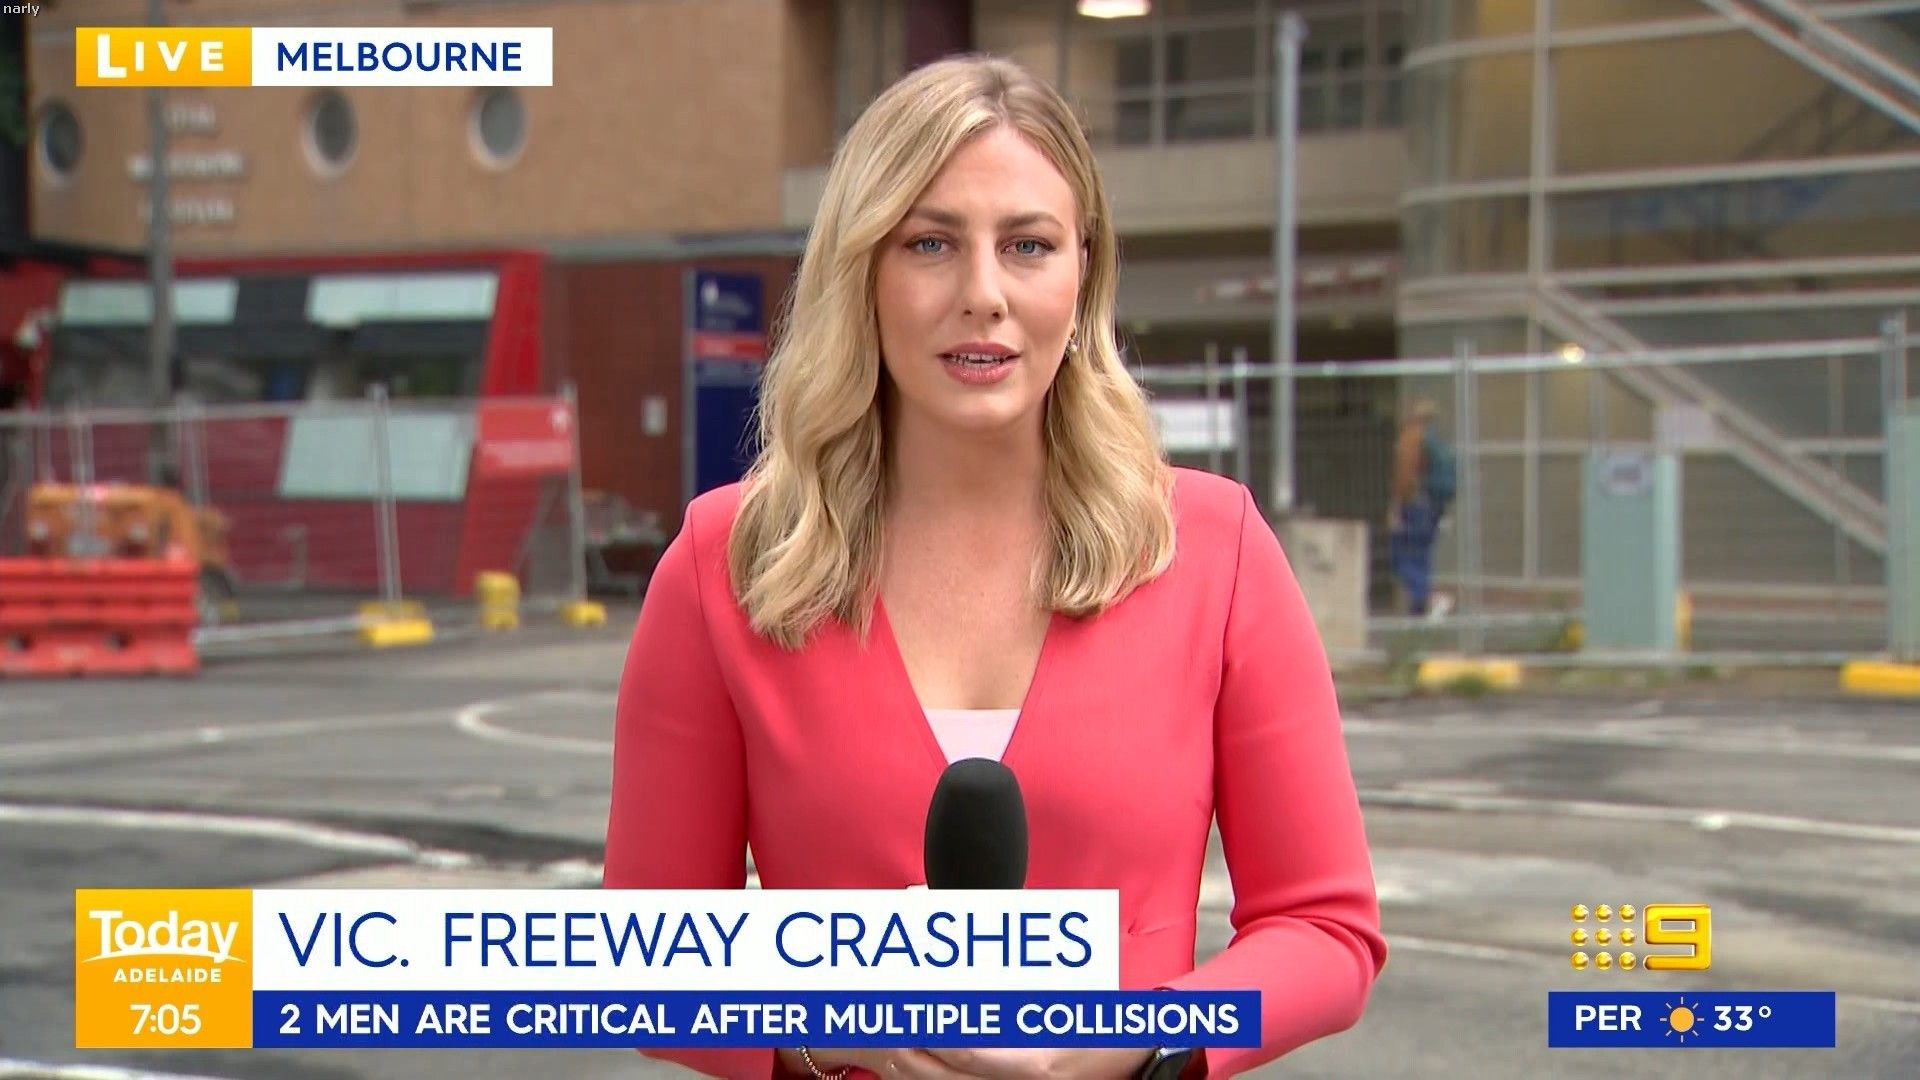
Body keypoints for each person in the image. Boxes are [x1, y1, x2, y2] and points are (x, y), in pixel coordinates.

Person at [605, 55, 1385, 1080]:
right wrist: (829, 1025)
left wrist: (1141, 1040)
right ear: (860, 271)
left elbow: (1325, 927)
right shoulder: (725, 563)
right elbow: (641, 956)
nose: (984, 294)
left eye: (1028, 245)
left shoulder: (1215, 548)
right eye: (930, 243)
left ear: (1082, 273)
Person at [1386, 399, 1454, 618]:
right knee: (1421, 557)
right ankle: (1420, 609)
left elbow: (1404, 477)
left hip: (1414, 505)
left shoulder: (1411, 439)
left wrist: (1397, 507)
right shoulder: (1437, 441)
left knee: (1400, 556)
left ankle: (1429, 598)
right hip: (1434, 506)